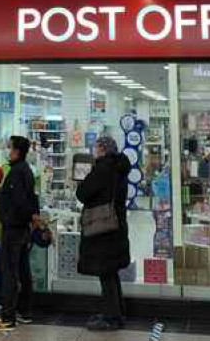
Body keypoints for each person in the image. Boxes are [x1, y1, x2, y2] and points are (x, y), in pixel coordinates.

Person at [76, 135, 131, 332]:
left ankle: (111, 317)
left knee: (105, 272)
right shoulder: (120, 168)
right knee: (111, 272)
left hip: (102, 227)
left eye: (96, 147)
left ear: (103, 149)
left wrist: (84, 178)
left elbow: (82, 193)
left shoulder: (102, 169)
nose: (94, 150)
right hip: (116, 225)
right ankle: (116, 312)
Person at [0, 136, 40, 332]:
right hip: (22, 228)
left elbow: (19, 200)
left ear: (17, 151)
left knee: (9, 272)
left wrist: (3, 198)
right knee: (22, 270)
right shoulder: (25, 170)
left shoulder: (18, 172)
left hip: (13, 229)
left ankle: (8, 317)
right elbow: (29, 197)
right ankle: (25, 311)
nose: (7, 150)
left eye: (9, 147)